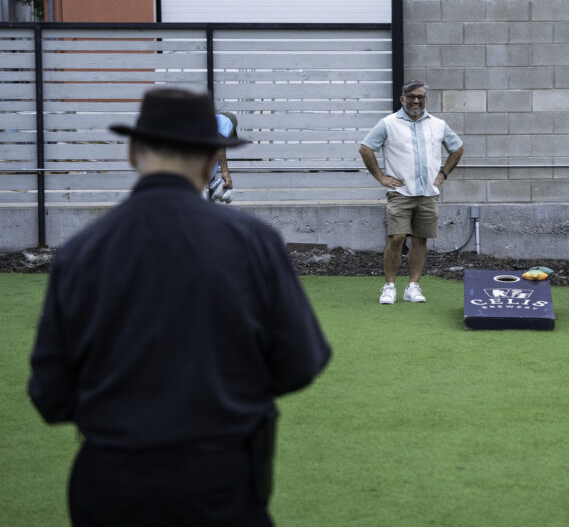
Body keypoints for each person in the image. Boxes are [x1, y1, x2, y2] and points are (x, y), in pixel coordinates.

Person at [28, 88, 332, 526]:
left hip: (110, 483)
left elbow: (49, 394)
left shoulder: (81, 251)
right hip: (219, 482)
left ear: (133, 153)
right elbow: (300, 363)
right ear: (211, 160)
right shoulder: (254, 242)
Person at [359, 80, 464, 305]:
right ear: (402, 99)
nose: (416, 101)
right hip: (400, 193)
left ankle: (413, 286)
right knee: (396, 238)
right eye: (411, 96)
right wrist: (381, 177)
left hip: (428, 194)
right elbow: (366, 148)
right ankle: (389, 287)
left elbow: (457, 148)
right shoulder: (388, 123)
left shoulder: (438, 124)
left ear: (425, 99)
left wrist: (443, 174)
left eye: (420, 97)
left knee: (420, 239)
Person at [208, 110, 238, 202]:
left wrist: (216, 185)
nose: (229, 138)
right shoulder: (225, 120)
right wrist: (225, 172)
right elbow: (220, 142)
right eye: (232, 133)